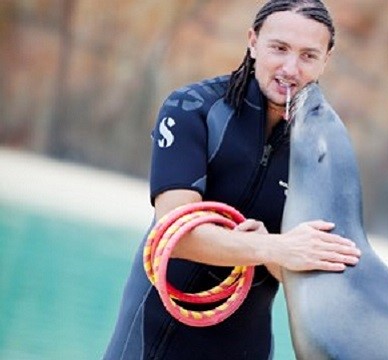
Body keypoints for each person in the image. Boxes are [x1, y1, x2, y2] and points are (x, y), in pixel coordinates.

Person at [104, 1, 361, 358]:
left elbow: (320, 275)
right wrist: (272, 248)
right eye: (279, 48)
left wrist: (272, 251)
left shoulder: (323, 151)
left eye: (308, 55)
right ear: (253, 42)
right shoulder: (191, 109)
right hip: (154, 336)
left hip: (244, 346)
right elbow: (174, 236)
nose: (290, 68)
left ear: (325, 60)